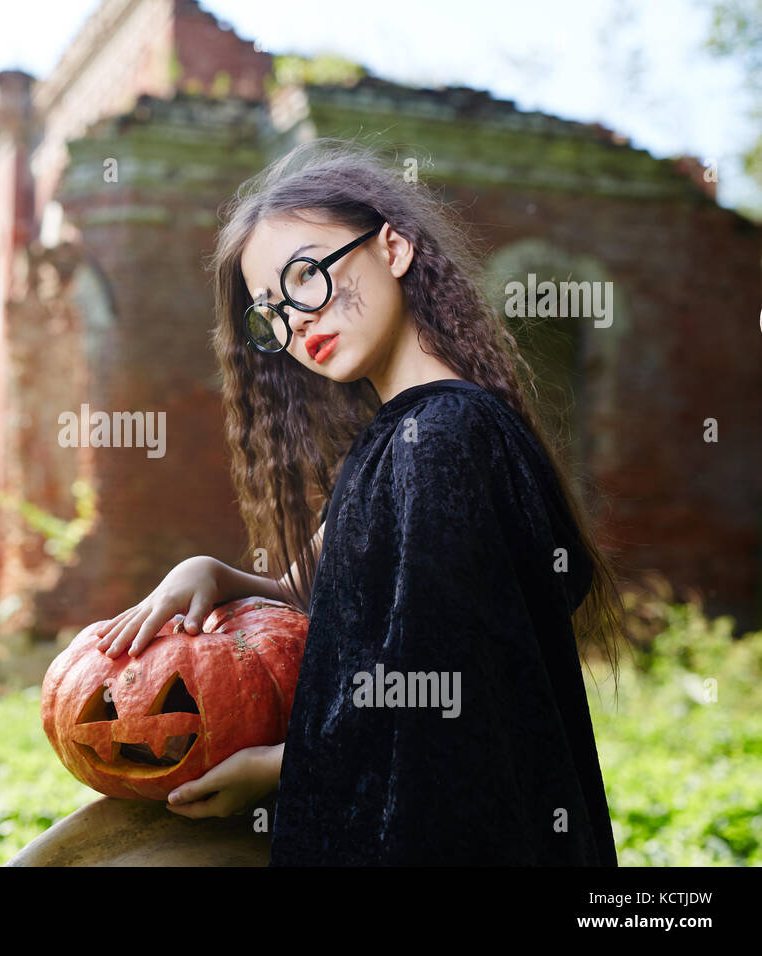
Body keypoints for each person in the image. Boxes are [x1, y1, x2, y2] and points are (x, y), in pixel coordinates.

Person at [92, 138, 626, 866]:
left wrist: (280, 766)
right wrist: (214, 573)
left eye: (306, 275)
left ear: (395, 247)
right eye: (271, 311)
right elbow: (333, 599)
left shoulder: (444, 437)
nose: (296, 320)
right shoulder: (399, 441)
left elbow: (446, 686)